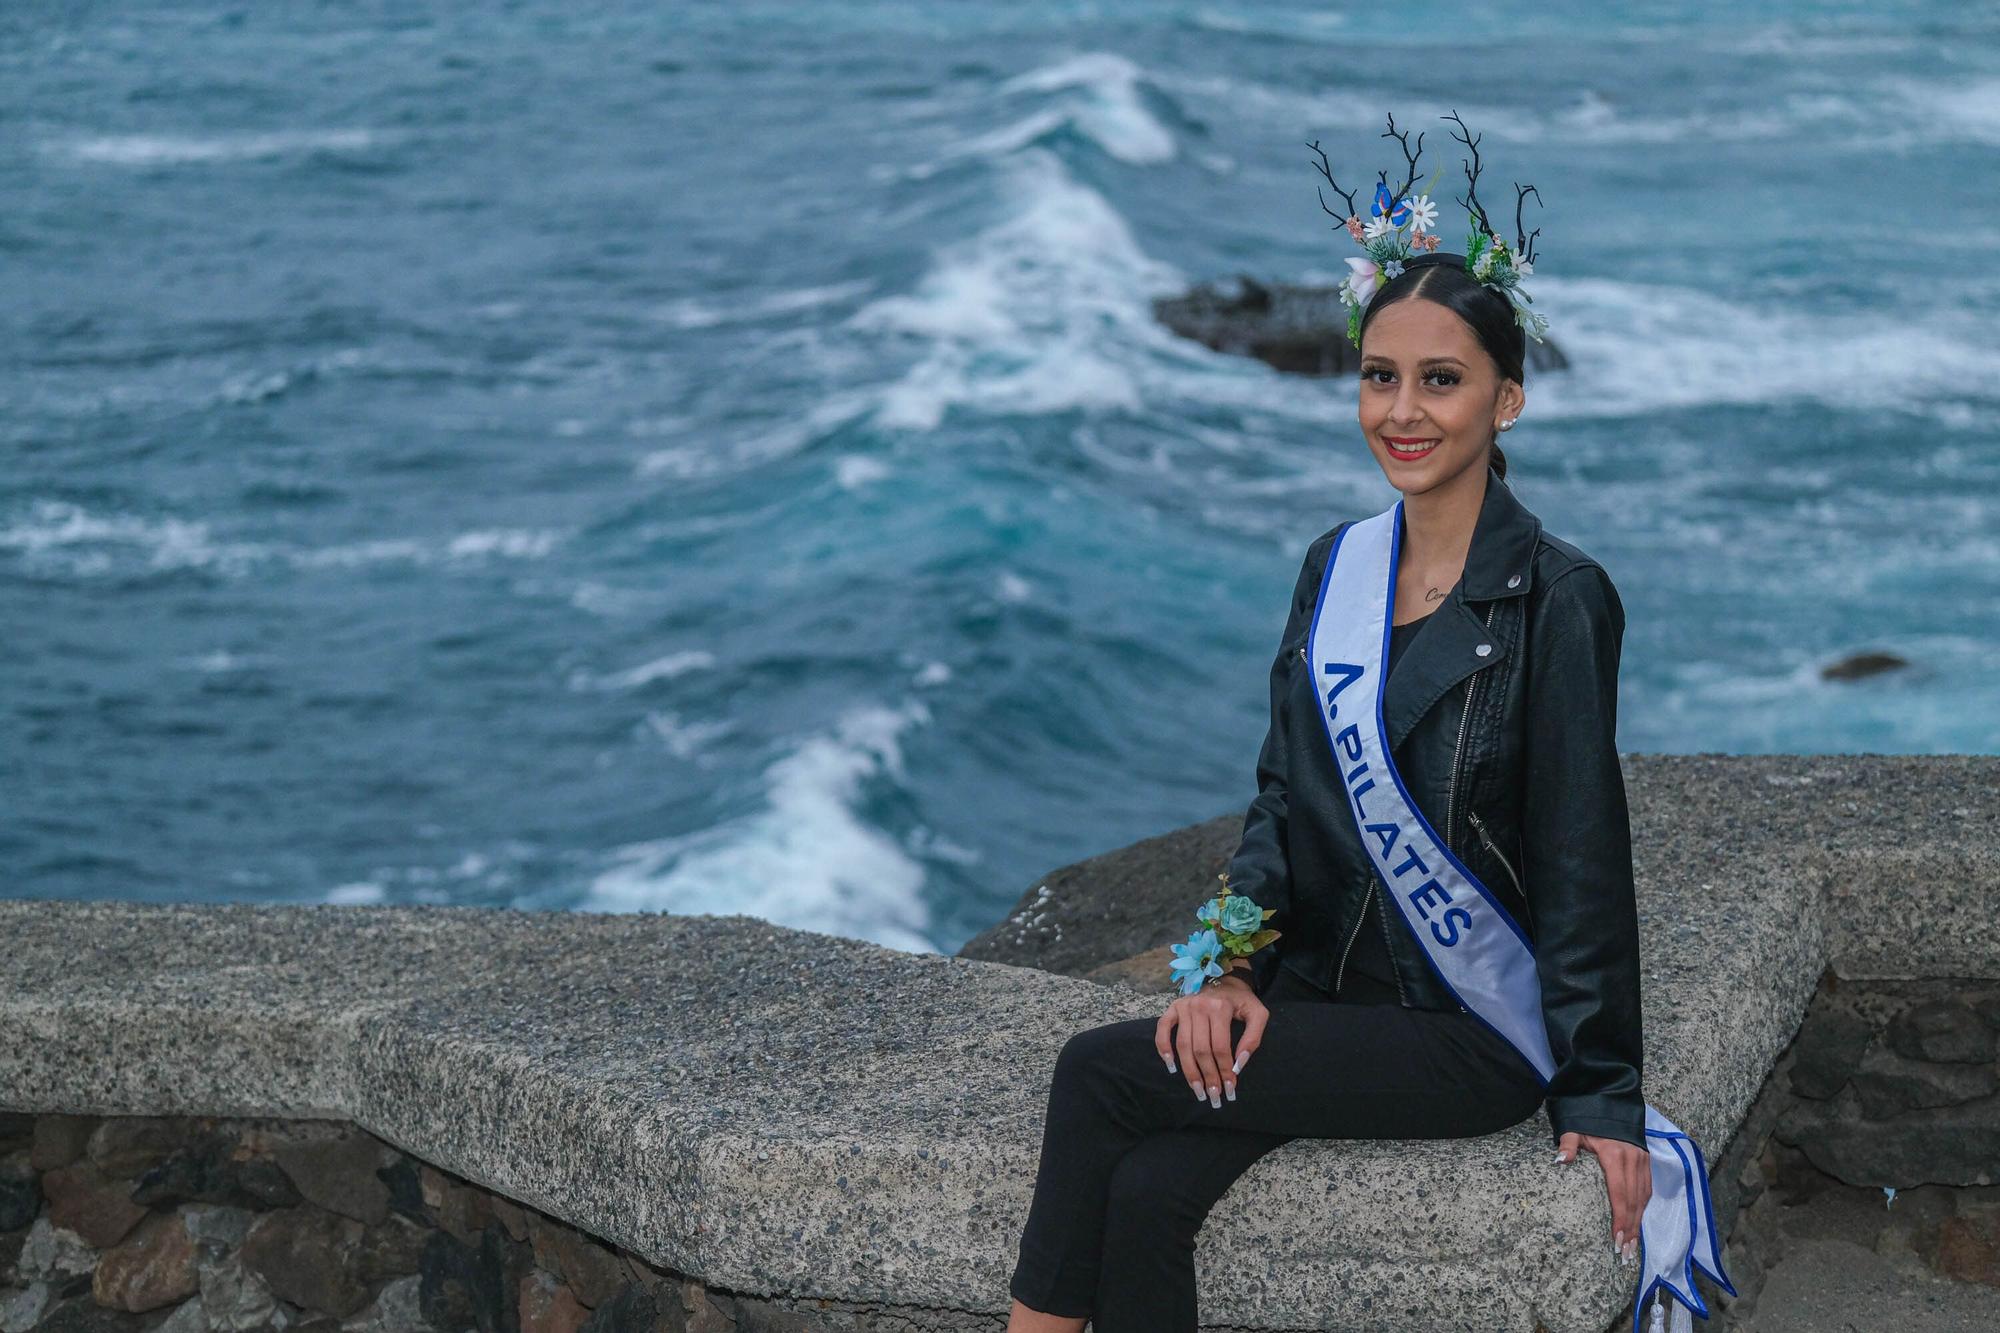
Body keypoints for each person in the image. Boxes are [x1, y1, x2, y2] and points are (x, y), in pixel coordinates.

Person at [1003, 240, 1657, 1330]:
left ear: (1507, 402)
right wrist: (1225, 971)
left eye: (1439, 380)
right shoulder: (1335, 566)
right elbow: (1279, 798)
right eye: (1377, 375)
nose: (1401, 410)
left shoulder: (1559, 599)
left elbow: (1580, 851)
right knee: (1146, 1186)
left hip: (1465, 1023)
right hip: (1324, 988)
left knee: (1096, 1073)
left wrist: (1601, 1092)